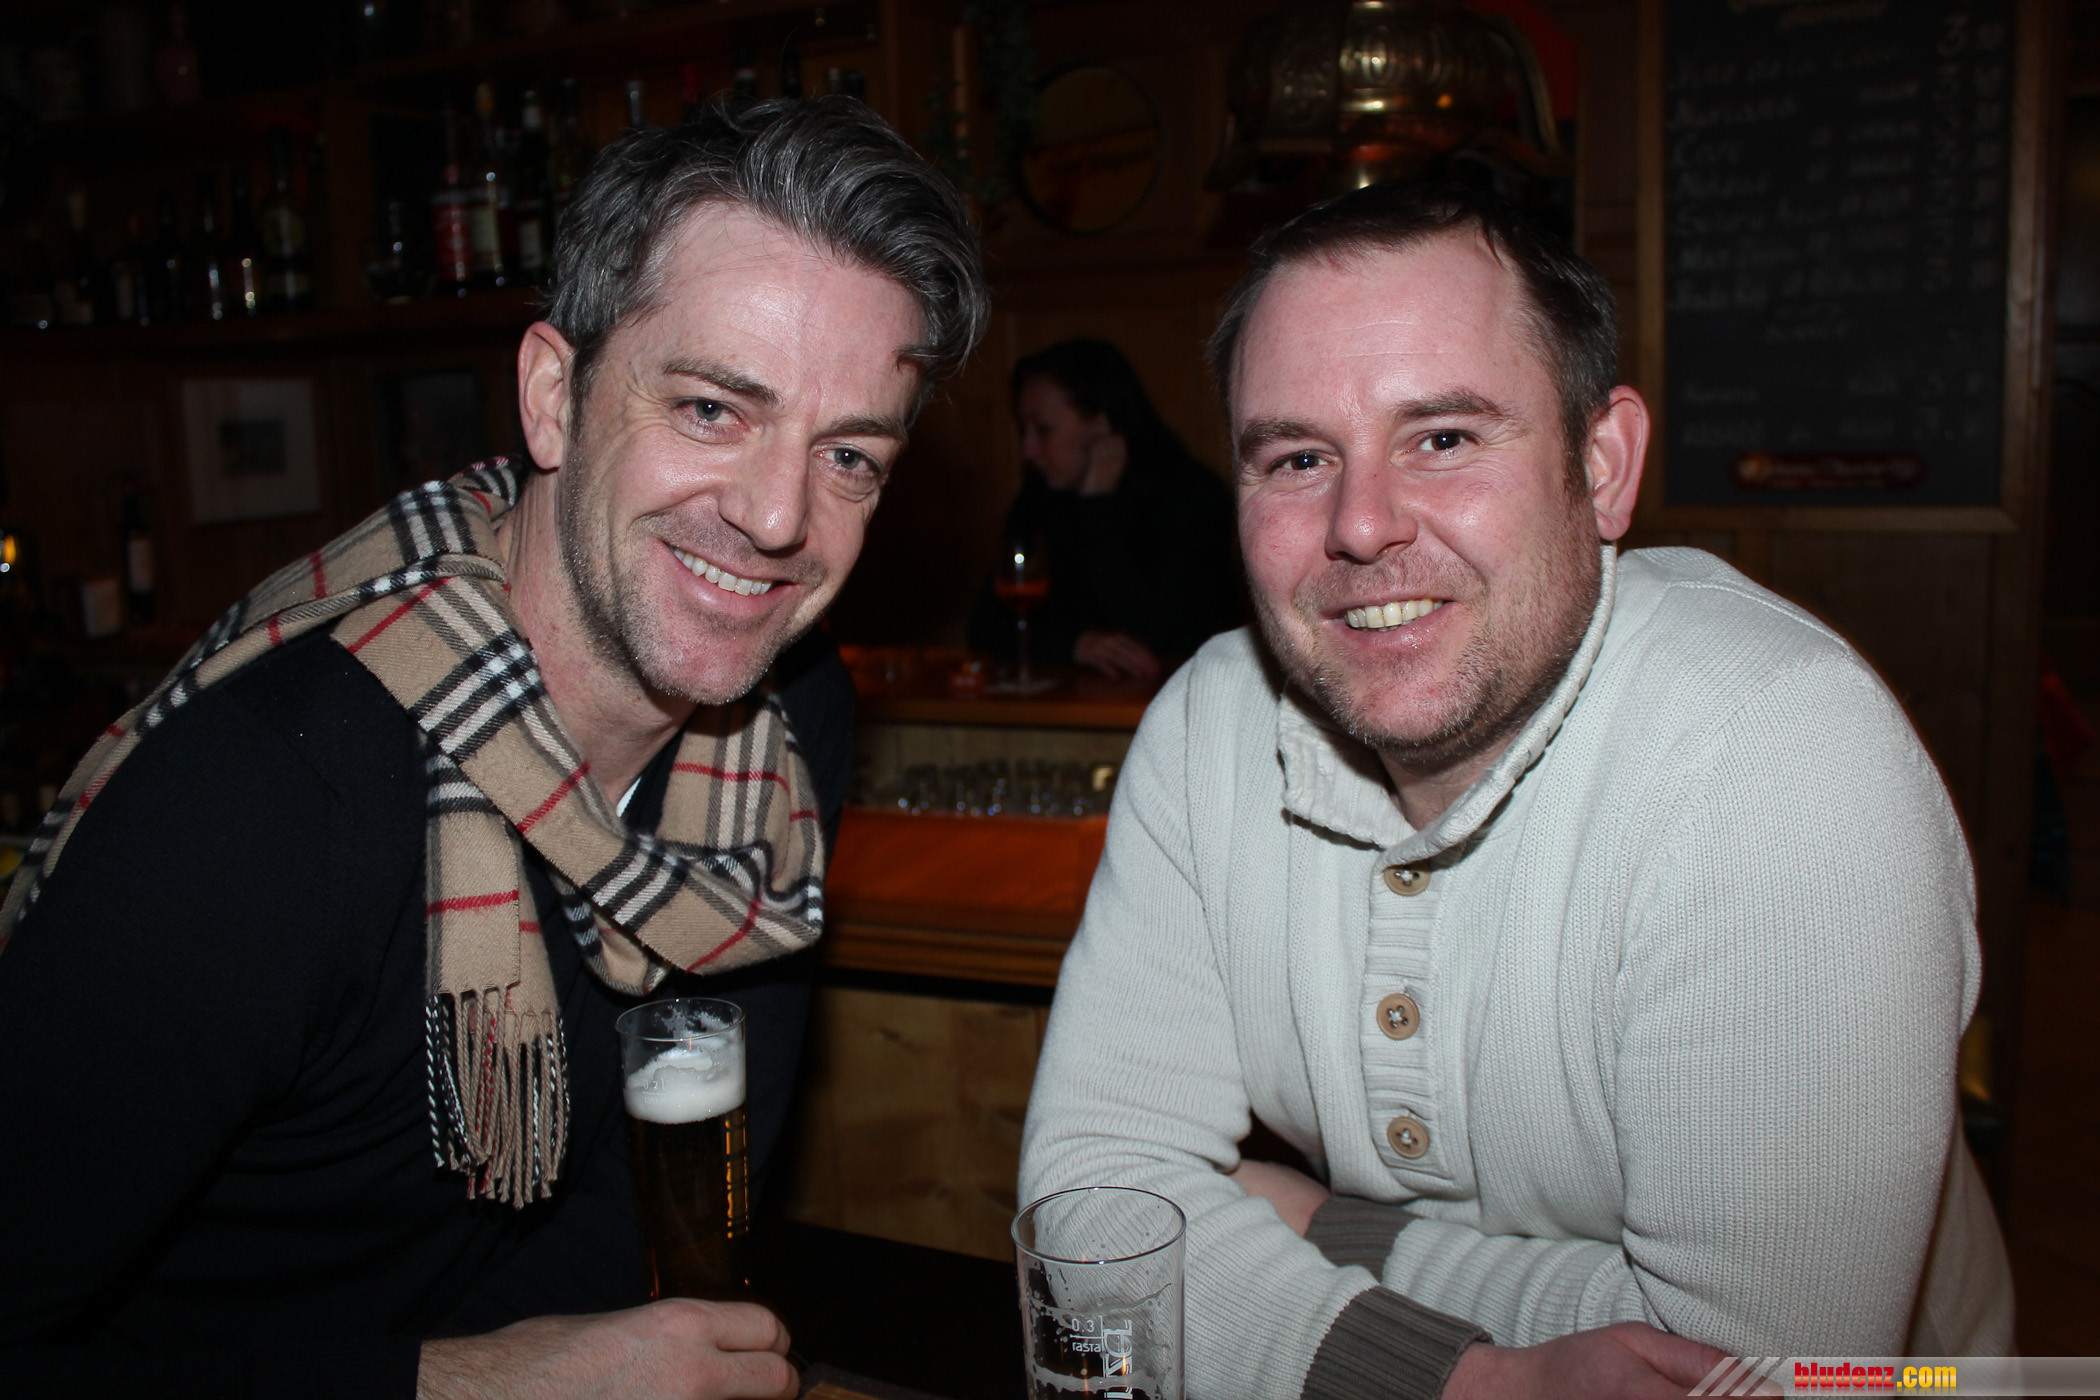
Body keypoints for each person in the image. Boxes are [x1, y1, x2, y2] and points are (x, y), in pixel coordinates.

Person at [0, 97, 986, 1400]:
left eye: (848, 454)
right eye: (711, 408)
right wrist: (464, 1384)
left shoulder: (790, 714)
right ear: (553, 397)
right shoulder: (267, 799)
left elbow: (644, 1221)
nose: (775, 517)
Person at [1018, 181, 2015, 1400]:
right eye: (1298, 457)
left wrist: (1327, 1229)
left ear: (1603, 465)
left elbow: (1748, 1375)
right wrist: (1471, 1379)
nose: (1362, 525)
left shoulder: (1780, 757)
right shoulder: (1207, 724)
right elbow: (1094, 1206)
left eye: (1443, 437)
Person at [967, 338, 1240, 681]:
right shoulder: (1038, 498)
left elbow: (1153, 637)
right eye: (1024, 431)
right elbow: (984, 629)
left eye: (1043, 429)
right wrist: (1074, 645)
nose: (1028, 450)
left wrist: (1097, 506)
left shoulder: (1191, 495)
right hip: (1073, 706)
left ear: (1101, 423)